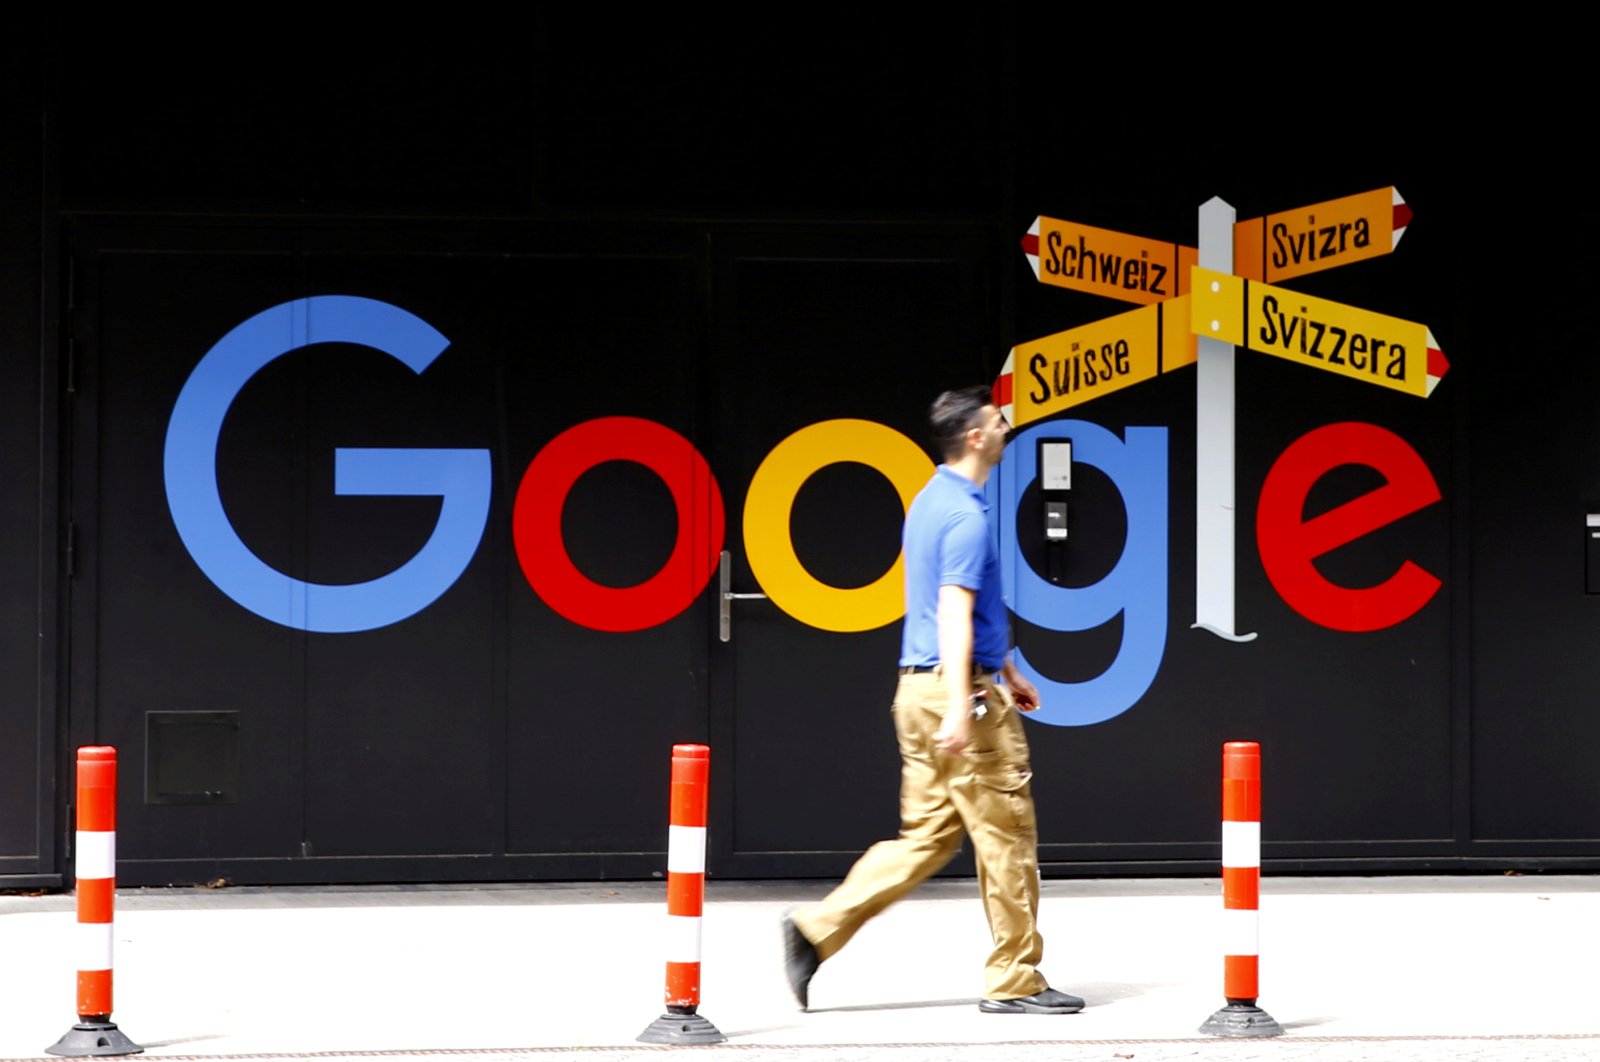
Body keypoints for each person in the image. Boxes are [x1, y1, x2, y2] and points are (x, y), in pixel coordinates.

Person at [781, 385, 1083, 1015]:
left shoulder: (930, 501)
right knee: (1006, 838)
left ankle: (816, 929)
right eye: (999, 422)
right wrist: (961, 702)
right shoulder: (967, 517)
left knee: (925, 838)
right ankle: (1015, 980)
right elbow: (953, 608)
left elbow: (953, 606)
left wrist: (1008, 665)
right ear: (976, 437)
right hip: (958, 693)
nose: (1005, 429)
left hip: (917, 688)